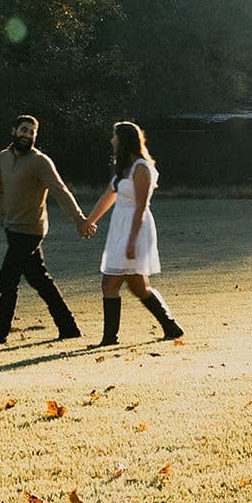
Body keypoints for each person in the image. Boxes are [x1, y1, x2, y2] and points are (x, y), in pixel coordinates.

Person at [0, 115, 93, 347]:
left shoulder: (40, 161)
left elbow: (60, 191)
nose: (27, 135)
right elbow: (0, 190)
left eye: (32, 132)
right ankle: (69, 328)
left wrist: (80, 220)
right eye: (24, 130)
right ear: (14, 130)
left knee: (7, 281)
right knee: (40, 279)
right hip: (12, 228)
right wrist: (4, 218)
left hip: (31, 231)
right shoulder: (2, 157)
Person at [80, 121, 184, 346]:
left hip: (136, 229)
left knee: (110, 283)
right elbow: (108, 196)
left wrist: (132, 240)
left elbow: (141, 207)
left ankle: (109, 339)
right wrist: (89, 221)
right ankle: (172, 327)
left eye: (114, 136)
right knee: (138, 287)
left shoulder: (141, 168)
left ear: (124, 140)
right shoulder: (122, 169)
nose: (111, 140)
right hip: (119, 228)